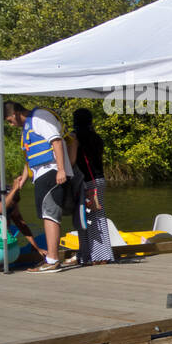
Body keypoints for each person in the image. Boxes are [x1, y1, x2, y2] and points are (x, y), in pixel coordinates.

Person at [2, 101, 86, 272]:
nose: (11, 125)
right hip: (41, 174)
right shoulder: (28, 127)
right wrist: (22, 180)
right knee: (45, 214)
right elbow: (31, 158)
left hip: (51, 171)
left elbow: (56, 141)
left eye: (10, 121)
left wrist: (61, 169)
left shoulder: (40, 117)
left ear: (15, 114)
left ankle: (53, 259)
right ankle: (51, 258)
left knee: (50, 214)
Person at [70, 108, 114, 265]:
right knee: (98, 215)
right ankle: (99, 254)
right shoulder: (96, 137)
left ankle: (94, 256)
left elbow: (73, 161)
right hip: (99, 180)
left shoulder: (75, 137)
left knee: (86, 218)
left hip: (87, 182)